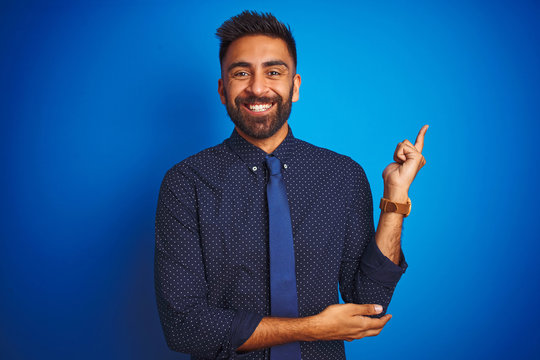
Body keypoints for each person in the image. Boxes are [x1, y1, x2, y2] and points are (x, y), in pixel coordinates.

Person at [154, 10, 428, 360]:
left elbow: (368, 301)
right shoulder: (186, 183)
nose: (257, 87)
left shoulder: (342, 175)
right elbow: (184, 326)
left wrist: (395, 199)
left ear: (294, 86)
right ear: (223, 90)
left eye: (273, 72)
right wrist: (313, 329)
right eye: (241, 73)